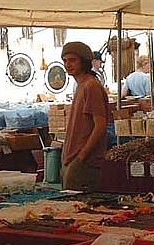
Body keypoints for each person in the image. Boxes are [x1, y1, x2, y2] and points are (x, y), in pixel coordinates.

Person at [61, 41, 110, 192]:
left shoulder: (91, 86)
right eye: (65, 61)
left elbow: (100, 125)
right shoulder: (81, 85)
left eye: (73, 60)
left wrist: (81, 156)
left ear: (84, 61)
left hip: (85, 160)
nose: (68, 64)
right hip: (74, 158)